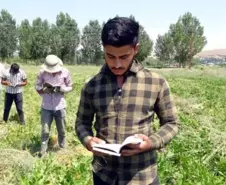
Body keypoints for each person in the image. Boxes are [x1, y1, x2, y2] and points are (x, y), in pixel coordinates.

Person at [75, 17, 179, 185]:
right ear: (103, 49)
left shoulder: (156, 82)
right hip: (104, 175)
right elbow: (81, 122)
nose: (116, 64)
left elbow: (172, 123)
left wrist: (150, 143)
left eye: (124, 56)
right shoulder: (92, 85)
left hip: (142, 175)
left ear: (135, 49)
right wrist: (88, 140)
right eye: (110, 56)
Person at [35, 54, 73, 157]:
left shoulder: (65, 72)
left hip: (60, 105)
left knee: (62, 129)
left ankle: (62, 148)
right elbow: (37, 86)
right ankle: (43, 151)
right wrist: (44, 90)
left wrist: (63, 89)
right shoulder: (42, 73)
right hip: (46, 106)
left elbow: (70, 86)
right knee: (45, 130)